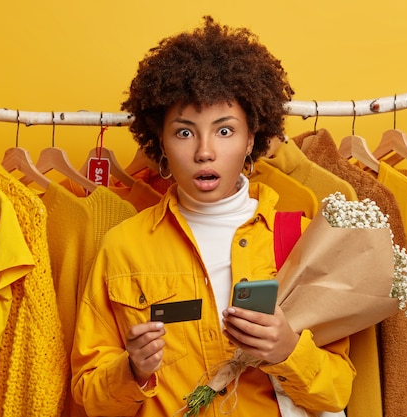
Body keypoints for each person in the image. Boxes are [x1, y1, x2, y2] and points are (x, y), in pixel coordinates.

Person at [70, 16, 356, 416]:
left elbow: (336, 393)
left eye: (224, 131)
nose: (204, 151)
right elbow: (92, 398)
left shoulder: (300, 239)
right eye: (185, 132)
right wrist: (132, 369)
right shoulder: (122, 247)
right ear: (161, 143)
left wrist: (288, 350)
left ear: (251, 138)